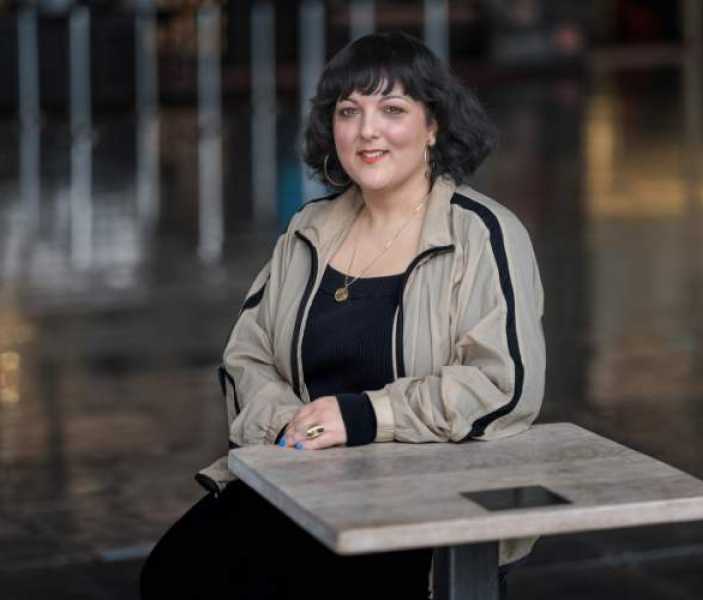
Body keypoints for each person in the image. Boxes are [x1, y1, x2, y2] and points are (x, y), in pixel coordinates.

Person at [140, 31, 545, 600]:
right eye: (348, 111)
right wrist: (289, 423)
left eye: (393, 109)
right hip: (307, 483)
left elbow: (502, 384)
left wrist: (362, 417)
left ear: (434, 126)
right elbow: (245, 357)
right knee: (177, 572)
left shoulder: (483, 234)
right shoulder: (310, 229)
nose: (367, 130)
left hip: (421, 503)